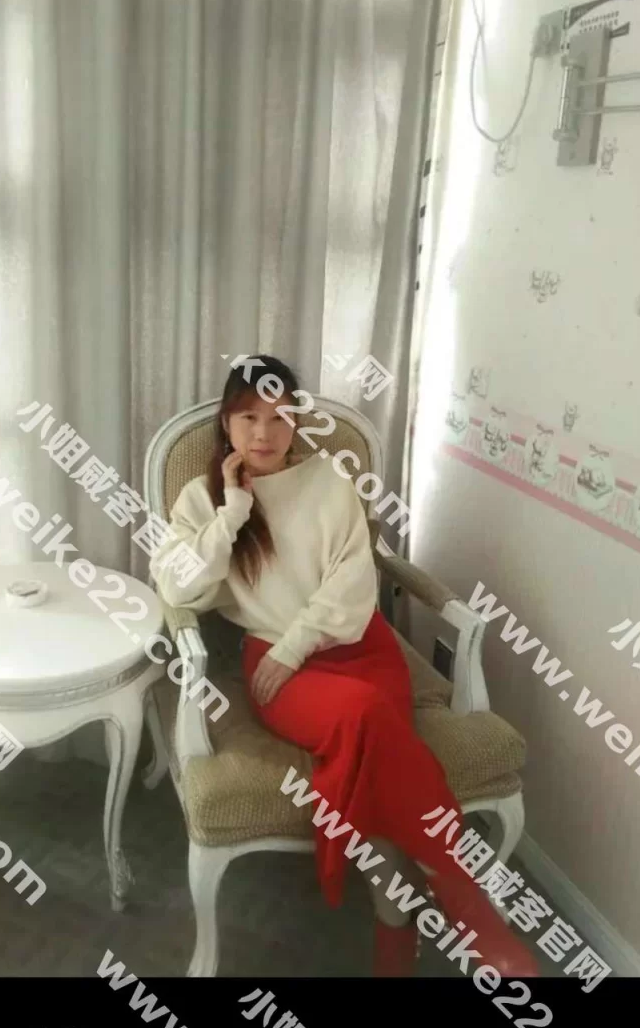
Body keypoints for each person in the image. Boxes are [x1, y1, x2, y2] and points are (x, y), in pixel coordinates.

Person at [149, 355, 540, 978]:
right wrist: (232, 514)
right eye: (248, 417)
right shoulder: (202, 499)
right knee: (366, 720)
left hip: (357, 646)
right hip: (275, 668)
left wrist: (296, 645)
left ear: (297, 422)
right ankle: (467, 904)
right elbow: (179, 588)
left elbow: (355, 585)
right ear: (226, 423)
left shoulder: (330, 480)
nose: (264, 433)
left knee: (371, 752)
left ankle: (396, 936)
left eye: (279, 417)